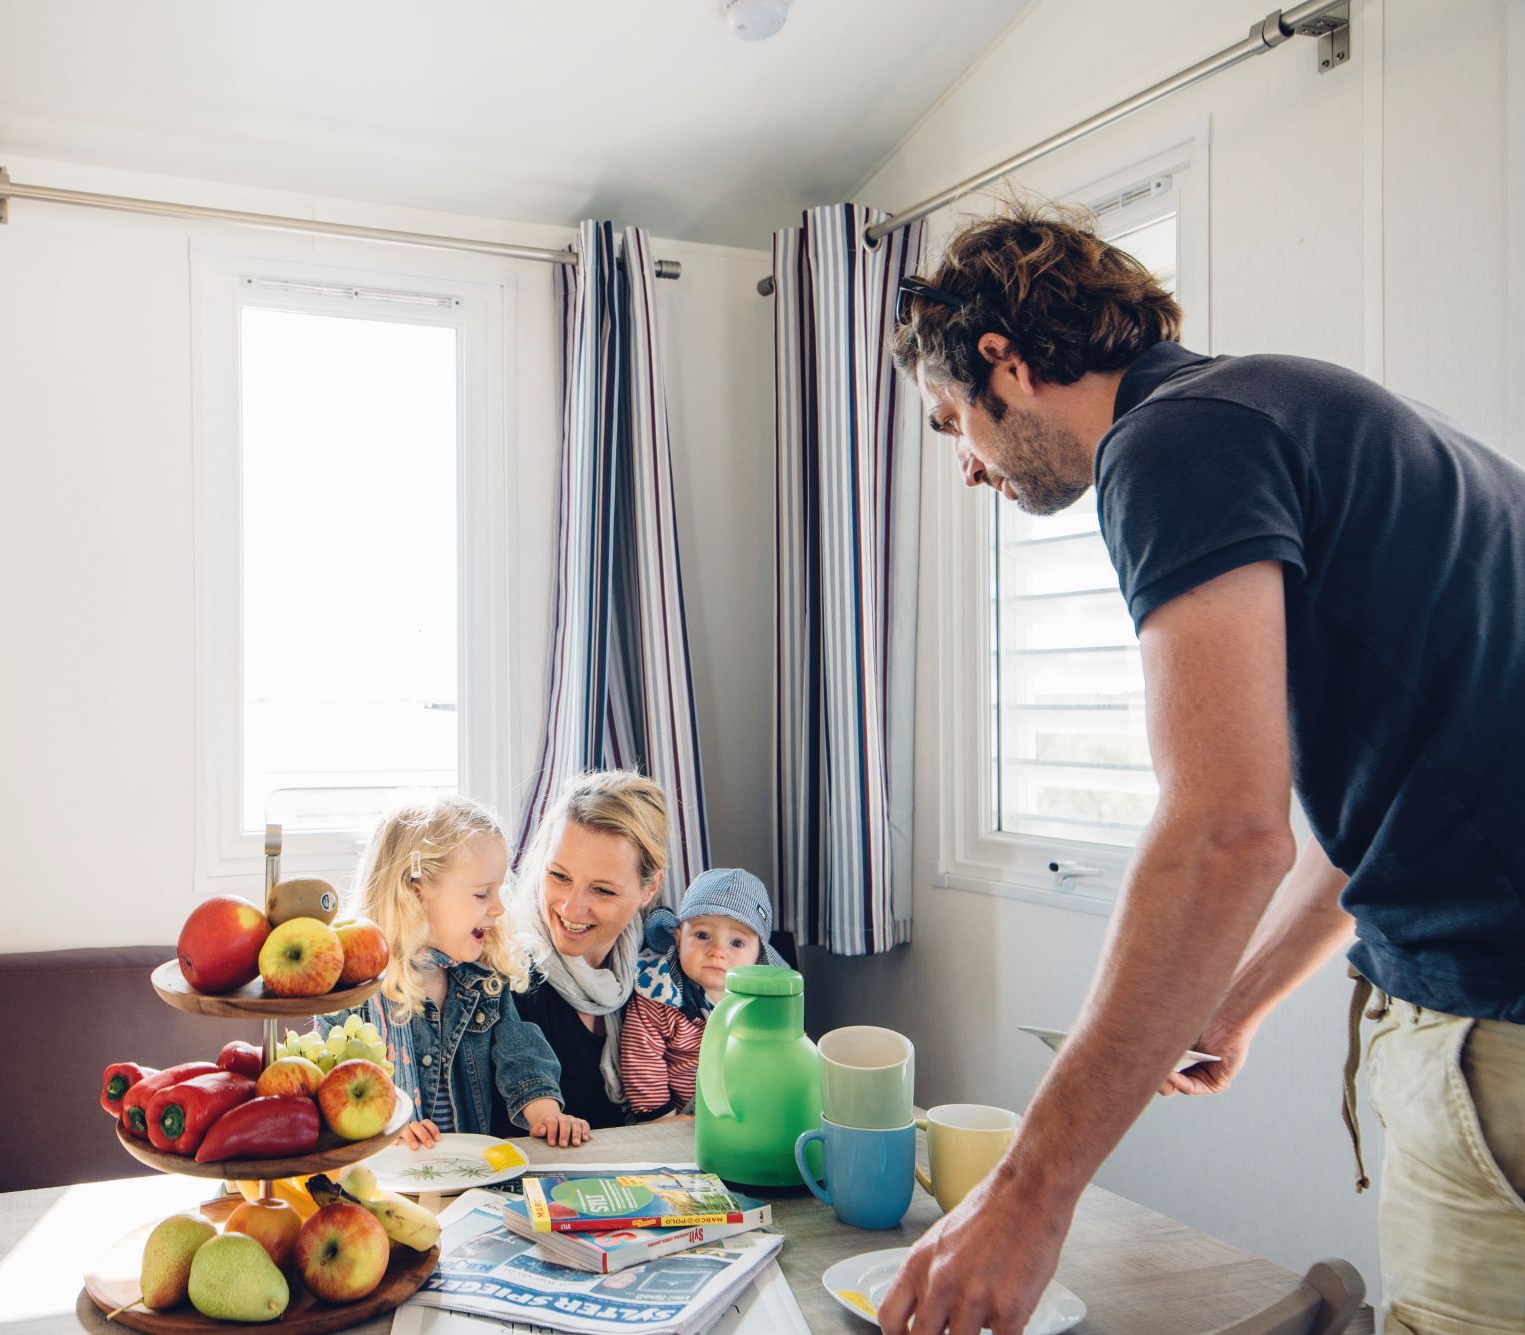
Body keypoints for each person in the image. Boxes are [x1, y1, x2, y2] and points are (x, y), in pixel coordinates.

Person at [881, 203, 1525, 1335]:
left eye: (951, 424)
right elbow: (1379, 801)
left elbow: (1224, 831)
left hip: (1495, 1011)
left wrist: (1026, 1198)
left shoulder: (1170, 443)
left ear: (1005, 363)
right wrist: (1236, 1002)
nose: (969, 468)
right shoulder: (1299, 408)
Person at [323, 796, 591, 1150]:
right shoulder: (351, 992)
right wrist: (385, 1126)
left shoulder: (483, 980)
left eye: (499, 891)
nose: (498, 907)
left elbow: (521, 1055)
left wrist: (546, 1114)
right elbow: (328, 1085)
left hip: (465, 1173)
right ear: (416, 894)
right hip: (383, 1180)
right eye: (482, 894)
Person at [507, 770, 673, 1131]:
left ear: (649, 888)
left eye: (602, 890)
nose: (570, 908)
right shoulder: (508, 974)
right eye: (559, 876)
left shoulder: (667, 967)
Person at [619, 867, 784, 1115]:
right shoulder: (658, 994)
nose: (717, 951)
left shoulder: (766, 1002)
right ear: (678, 938)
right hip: (680, 1114)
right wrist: (659, 1117)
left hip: (748, 1106)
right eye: (703, 935)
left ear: (758, 956)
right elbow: (642, 1061)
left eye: (736, 943)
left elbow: (782, 1052)